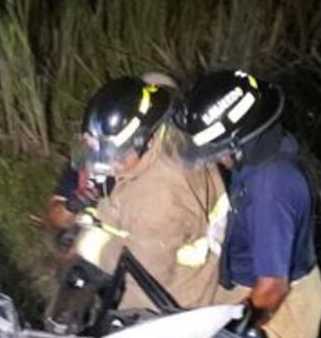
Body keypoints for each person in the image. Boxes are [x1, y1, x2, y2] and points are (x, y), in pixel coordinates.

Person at [171, 69, 321, 338]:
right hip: (256, 285)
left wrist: (232, 333)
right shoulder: (265, 150)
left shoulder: (271, 186)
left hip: (281, 309)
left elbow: (272, 287)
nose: (217, 159)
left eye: (218, 151)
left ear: (239, 141)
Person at [46, 72, 227, 312]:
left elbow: (143, 291)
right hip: (152, 248)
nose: (105, 165)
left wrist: (120, 326)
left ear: (145, 139)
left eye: (115, 155)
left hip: (177, 292)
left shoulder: (157, 196)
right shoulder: (172, 139)